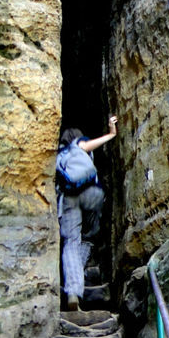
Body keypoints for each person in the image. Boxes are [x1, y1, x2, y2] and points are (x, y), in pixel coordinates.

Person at [57, 115, 118, 311]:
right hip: (92, 193)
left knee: (70, 242)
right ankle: (82, 264)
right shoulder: (78, 144)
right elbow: (90, 145)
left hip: (68, 198)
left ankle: (73, 291)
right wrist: (111, 133)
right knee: (90, 234)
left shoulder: (59, 155)